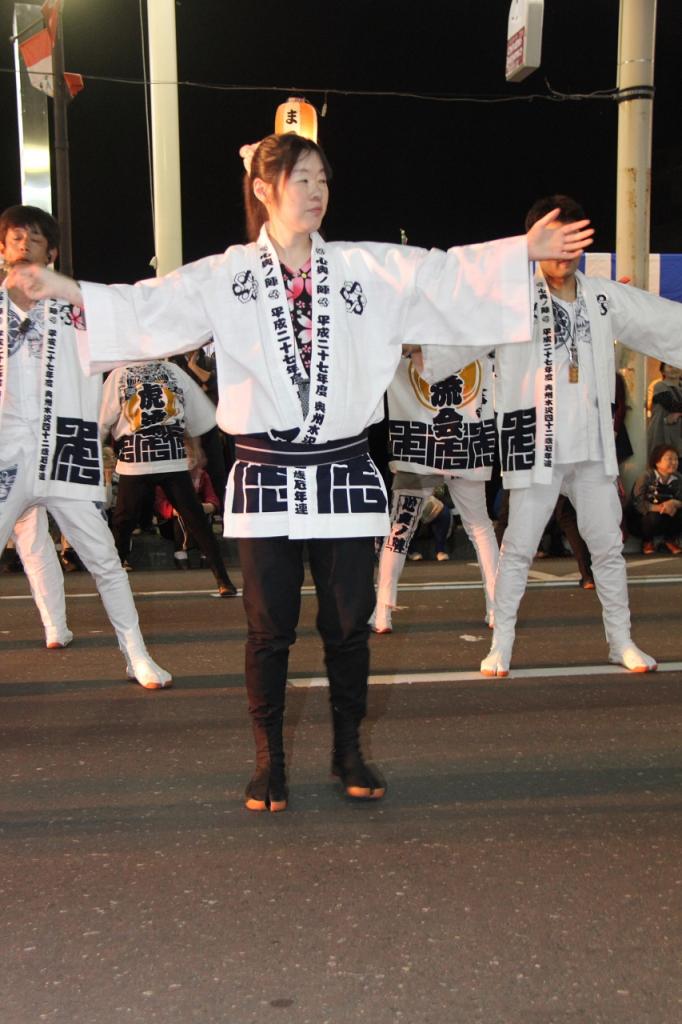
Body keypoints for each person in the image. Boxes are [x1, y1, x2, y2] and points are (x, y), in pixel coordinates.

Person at [7, 134, 593, 811]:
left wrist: (522, 249)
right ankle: (269, 759)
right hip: (267, 473)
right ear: (264, 190)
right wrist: (67, 288)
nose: (315, 191)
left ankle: (349, 750)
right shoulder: (228, 274)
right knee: (269, 628)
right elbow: (150, 307)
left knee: (347, 626)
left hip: (342, 468)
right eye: (300, 178)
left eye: (322, 179)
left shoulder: (359, 268)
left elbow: (438, 274)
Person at [418, 194, 682, 678]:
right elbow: (460, 329)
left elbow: (663, 322)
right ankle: (502, 643)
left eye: (572, 238)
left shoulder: (602, 297)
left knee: (606, 546)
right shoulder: (513, 298)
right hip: (534, 445)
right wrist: (422, 349)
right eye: (552, 239)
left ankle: (621, 640)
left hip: (592, 447)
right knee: (517, 548)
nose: (563, 251)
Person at [0, 204, 172, 689]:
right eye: (14, 236)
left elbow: (136, 328)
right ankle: (60, 626)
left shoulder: (78, 312)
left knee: (104, 560)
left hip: (64, 450)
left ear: (52, 252)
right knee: (36, 551)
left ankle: (136, 654)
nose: (23, 244)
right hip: (6, 456)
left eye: (35, 237)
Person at [373, 354, 498, 633]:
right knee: (480, 527)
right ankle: (496, 608)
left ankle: (382, 611)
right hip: (467, 443)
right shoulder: (473, 337)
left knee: (400, 528)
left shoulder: (416, 331)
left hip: (420, 443)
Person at [99, 359, 237, 596]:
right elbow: (196, 415)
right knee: (126, 522)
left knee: (130, 521)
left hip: (161, 458)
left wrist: (194, 446)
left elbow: (102, 419)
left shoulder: (130, 374)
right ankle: (222, 579)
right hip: (148, 459)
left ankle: (222, 578)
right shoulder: (140, 373)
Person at [626, 444, 682, 555]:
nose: (674, 462)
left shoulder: (678, 478)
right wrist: (661, 508)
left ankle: (669, 540)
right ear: (657, 462)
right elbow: (638, 503)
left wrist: (674, 503)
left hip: (666, 516)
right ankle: (647, 541)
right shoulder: (646, 477)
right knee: (653, 516)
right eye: (669, 459)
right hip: (640, 520)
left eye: (676, 459)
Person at [647, 362, 682, 458]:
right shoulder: (659, 386)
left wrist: (678, 414)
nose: (674, 369)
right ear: (662, 370)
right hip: (661, 432)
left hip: (677, 435)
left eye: (677, 365)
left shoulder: (680, 387)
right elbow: (672, 405)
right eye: (670, 366)